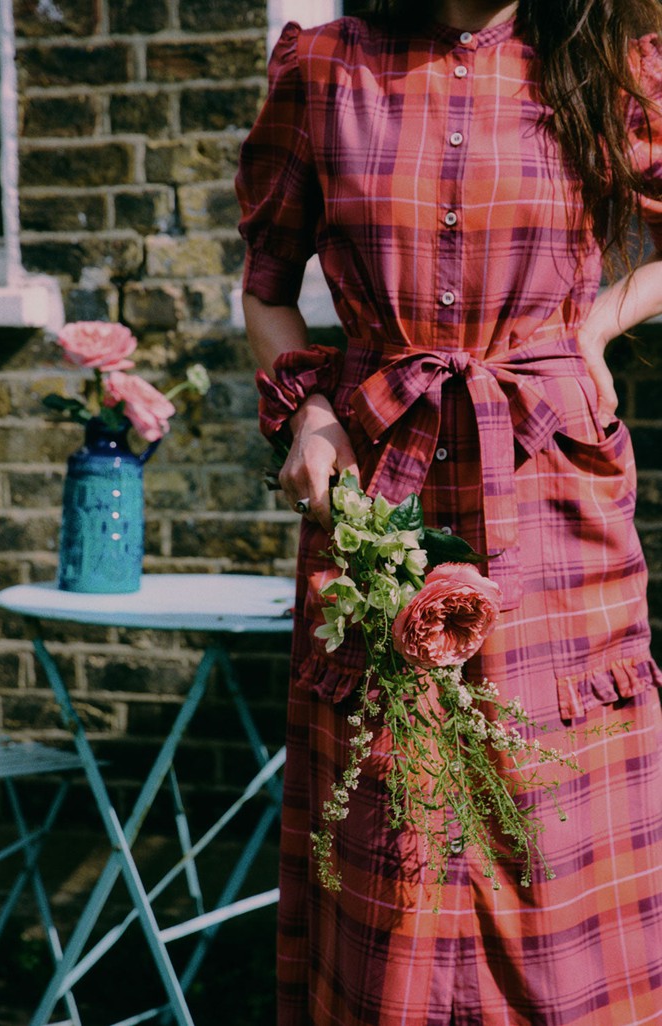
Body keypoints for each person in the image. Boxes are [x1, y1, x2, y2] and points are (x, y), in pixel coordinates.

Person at [235, 1, 662, 1023]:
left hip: (554, 488)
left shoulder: (603, 61)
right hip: (384, 502)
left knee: (557, 837)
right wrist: (311, 414)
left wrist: (594, 327)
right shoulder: (327, 67)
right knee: (397, 844)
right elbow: (265, 287)